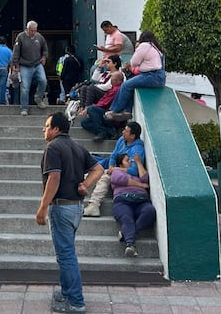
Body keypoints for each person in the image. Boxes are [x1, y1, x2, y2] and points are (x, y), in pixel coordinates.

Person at [37, 111, 104, 313]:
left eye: (47, 126)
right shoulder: (77, 146)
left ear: (56, 129)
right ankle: (67, 292)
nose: (44, 129)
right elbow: (98, 169)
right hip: (75, 207)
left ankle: (76, 302)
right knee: (66, 253)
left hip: (62, 207)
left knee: (66, 256)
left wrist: (42, 207)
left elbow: (54, 179)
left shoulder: (54, 147)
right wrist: (85, 184)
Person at [83, 121, 145, 217]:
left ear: (133, 136)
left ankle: (94, 205)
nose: (123, 132)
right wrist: (112, 166)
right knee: (91, 172)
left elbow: (134, 171)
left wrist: (116, 169)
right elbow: (114, 154)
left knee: (104, 178)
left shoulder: (137, 149)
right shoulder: (122, 139)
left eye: (126, 131)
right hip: (114, 168)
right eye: (124, 129)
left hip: (126, 176)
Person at [106, 30, 166, 116]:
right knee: (131, 85)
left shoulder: (144, 46)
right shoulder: (156, 48)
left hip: (151, 76)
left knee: (126, 85)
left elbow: (134, 62)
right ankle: (126, 111)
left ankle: (116, 110)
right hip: (160, 78)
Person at [110, 152, 156, 258]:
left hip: (141, 200)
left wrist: (139, 163)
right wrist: (141, 185)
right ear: (120, 164)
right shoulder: (116, 171)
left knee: (150, 211)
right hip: (123, 200)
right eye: (127, 160)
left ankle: (126, 233)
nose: (130, 162)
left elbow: (145, 178)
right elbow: (121, 180)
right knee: (126, 218)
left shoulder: (135, 173)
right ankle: (130, 244)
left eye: (130, 160)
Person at [12, 20, 49, 115]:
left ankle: (38, 98)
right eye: (31, 30)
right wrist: (16, 65)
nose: (33, 32)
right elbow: (16, 51)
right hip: (25, 65)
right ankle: (24, 108)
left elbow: (45, 47)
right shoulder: (20, 37)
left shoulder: (39, 37)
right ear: (27, 29)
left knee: (43, 80)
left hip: (37, 64)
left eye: (35, 30)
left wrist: (44, 56)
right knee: (25, 87)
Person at [79, 71, 125, 142]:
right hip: (106, 113)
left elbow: (104, 103)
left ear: (116, 80)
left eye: (111, 79)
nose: (110, 81)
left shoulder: (116, 89)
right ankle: (109, 131)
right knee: (85, 123)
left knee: (92, 109)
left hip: (112, 116)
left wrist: (88, 109)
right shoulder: (113, 88)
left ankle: (102, 132)